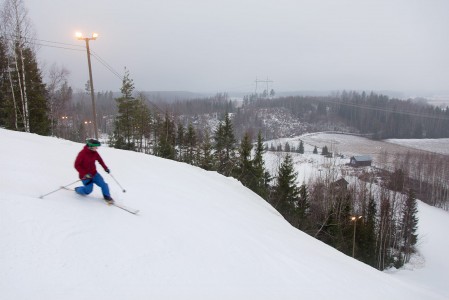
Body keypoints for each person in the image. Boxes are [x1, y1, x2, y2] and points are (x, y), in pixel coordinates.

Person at [74, 138, 114, 204]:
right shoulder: (82, 154)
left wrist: (105, 168)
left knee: (103, 184)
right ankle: (78, 189)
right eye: (96, 147)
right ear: (90, 147)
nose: (97, 148)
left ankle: (107, 196)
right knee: (88, 190)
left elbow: (100, 161)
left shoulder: (95, 153)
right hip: (85, 176)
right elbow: (76, 165)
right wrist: (85, 174)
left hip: (94, 174)